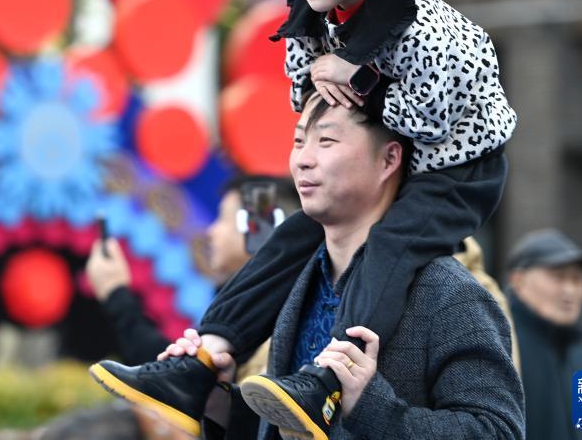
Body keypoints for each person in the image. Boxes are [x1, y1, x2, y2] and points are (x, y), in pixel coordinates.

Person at [90, 0, 517, 438]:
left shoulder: (429, 28)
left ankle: (332, 379)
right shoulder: (313, 18)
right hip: (399, 148)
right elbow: (313, 97)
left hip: (460, 164)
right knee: (290, 233)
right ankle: (201, 362)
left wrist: (358, 76)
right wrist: (221, 395)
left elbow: (425, 118)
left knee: (390, 244)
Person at [103, 92, 524, 438]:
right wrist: (222, 404)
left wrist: (371, 406)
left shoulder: (449, 293)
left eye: (326, 142)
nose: (303, 159)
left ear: (389, 160)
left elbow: (499, 431)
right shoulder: (295, 286)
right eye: (299, 141)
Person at [85, 175, 298, 367]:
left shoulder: (268, 313)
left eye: (223, 218)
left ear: (259, 231)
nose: (211, 231)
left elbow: (172, 376)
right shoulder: (254, 301)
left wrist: (115, 292)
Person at [507, 229, 582, 440]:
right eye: (558, 277)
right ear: (518, 281)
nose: (570, 290)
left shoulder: (580, 347)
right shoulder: (501, 344)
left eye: (577, 279)